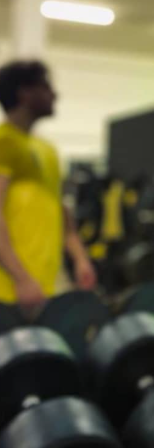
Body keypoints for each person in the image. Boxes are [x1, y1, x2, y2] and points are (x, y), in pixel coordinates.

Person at [0, 60, 96, 315]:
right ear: (24, 93)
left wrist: (80, 258)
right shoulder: (4, 142)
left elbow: (62, 213)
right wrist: (21, 278)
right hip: (9, 290)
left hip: (47, 287)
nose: (54, 94)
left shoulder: (48, 150)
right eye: (46, 87)